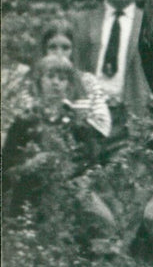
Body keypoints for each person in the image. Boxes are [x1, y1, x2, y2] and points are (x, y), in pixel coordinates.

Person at [2, 54, 109, 218]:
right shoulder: (24, 122)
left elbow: (91, 164)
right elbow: (6, 166)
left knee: (104, 220)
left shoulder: (77, 125)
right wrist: (31, 163)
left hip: (65, 198)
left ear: (69, 86)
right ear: (39, 82)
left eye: (62, 78)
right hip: (28, 197)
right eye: (50, 76)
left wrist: (69, 171)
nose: (56, 82)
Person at [71, 0, 153, 132]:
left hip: (132, 114)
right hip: (89, 113)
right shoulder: (83, 22)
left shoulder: (150, 24)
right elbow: (75, 65)